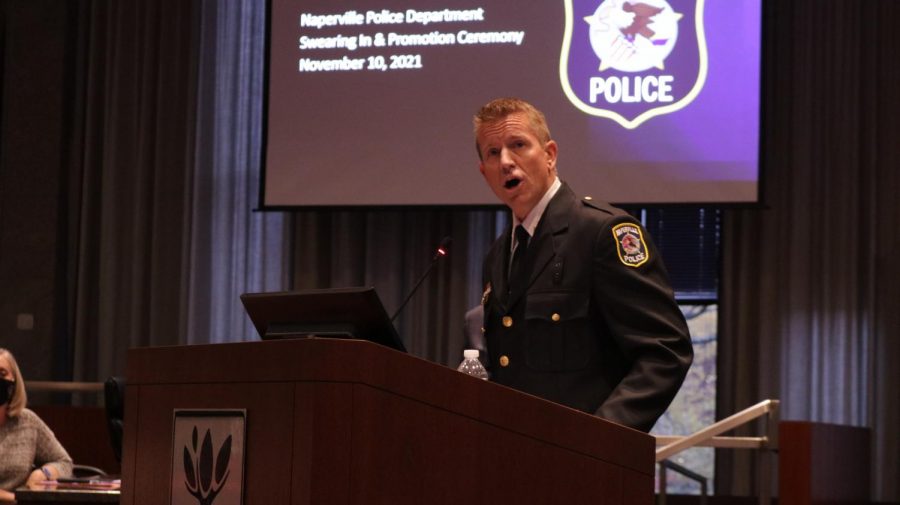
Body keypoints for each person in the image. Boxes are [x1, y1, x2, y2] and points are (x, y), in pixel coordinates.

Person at [472, 97, 693, 432]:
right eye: (493, 152)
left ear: (549, 155)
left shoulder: (603, 232)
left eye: (518, 145)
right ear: (483, 172)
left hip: (588, 462)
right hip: (516, 454)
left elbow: (664, 353)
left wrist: (600, 438)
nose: (505, 161)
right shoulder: (499, 253)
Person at [0, 348, 73, 501]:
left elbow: (64, 463)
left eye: (2, 374)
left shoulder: (27, 421)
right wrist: (16, 499)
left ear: (14, 381)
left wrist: (43, 473)